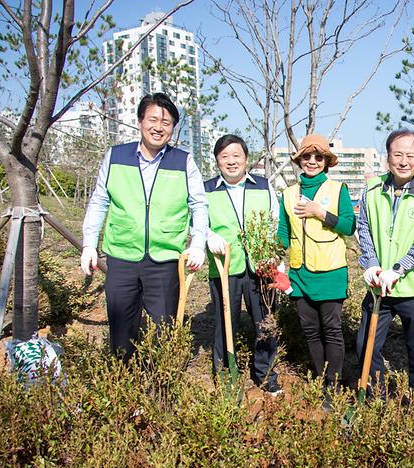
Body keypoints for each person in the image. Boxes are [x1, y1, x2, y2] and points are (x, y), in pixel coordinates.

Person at [81, 93, 207, 362]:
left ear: (173, 128)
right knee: (121, 331)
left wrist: (198, 243)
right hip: (122, 257)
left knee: (165, 330)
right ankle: (126, 390)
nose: (159, 127)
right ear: (140, 121)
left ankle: (161, 390)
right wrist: (89, 243)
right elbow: (99, 200)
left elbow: (199, 204)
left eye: (167, 122)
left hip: (165, 260)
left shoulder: (183, 161)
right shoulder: (116, 156)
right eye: (153, 119)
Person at [355, 129, 414, 407]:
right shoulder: (372, 189)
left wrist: (399, 268)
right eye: (397, 154)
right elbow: (364, 228)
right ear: (388, 157)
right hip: (379, 288)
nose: (403, 161)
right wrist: (370, 263)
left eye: (410, 155)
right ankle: (379, 395)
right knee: (364, 346)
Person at [276, 134, 356, 407]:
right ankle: (321, 379)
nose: (312, 161)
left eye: (318, 157)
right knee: (310, 330)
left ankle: (333, 387)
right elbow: (283, 233)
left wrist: (318, 212)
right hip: (300, 273)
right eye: (307, 157)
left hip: (331, 272)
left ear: (326, 162)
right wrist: (273, 262)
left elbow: (348, 225)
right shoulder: (287, 194)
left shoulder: (337, 189)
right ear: (299, 160)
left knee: (331, 329)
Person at [204, 134, 282, 395]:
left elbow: (275, 219)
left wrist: (273, 256)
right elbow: (196, 222)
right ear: (217, 160)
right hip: (224, 266)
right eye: (224, 156)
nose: (231, 161)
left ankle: (266, 374)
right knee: (226, 322)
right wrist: (208, 235)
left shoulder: (262, 185)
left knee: (265, 322)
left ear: (246, 159)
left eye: (236, 155)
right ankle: (226, 374)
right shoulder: (206, 189)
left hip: (260, 265)